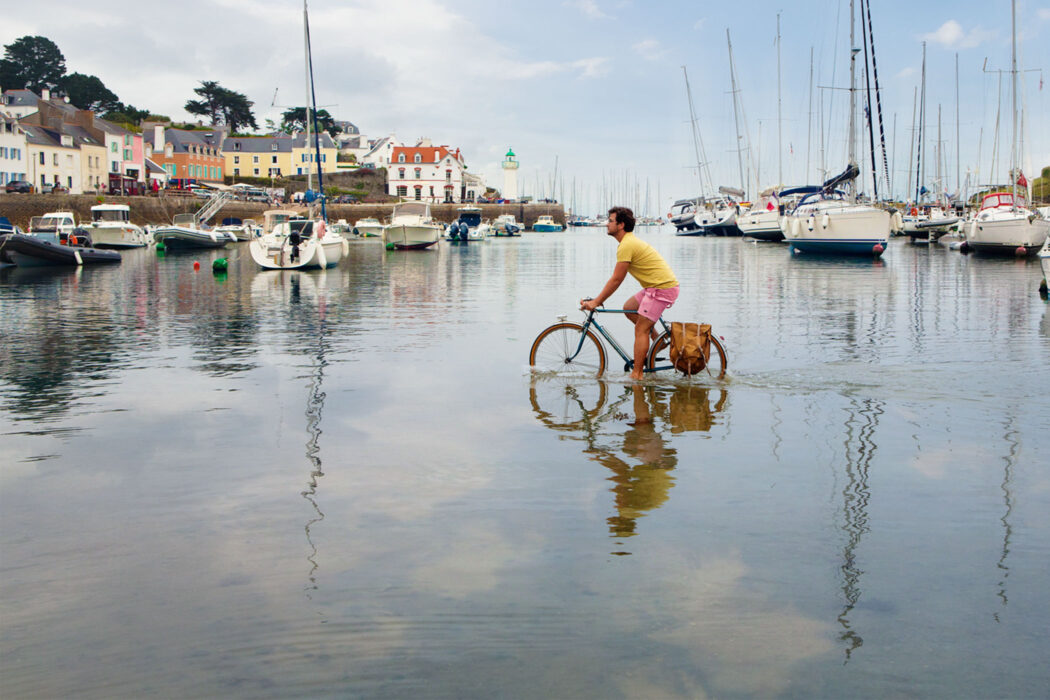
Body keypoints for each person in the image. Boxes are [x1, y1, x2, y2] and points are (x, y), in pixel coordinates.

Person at [580, 207, 679, 381]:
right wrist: (597, 299)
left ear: (621, 225)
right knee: (629, 308)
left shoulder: (626, 245)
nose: (607, 224)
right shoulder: (627, 243)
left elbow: (617, 279)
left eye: (610, 221)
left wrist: (596, 301)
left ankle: (637, 374)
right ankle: (658, 341)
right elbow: (616, 280)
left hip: (662, 289)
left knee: (641, 329)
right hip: (654, 287)